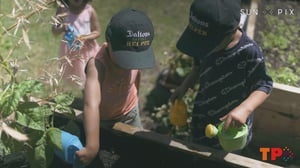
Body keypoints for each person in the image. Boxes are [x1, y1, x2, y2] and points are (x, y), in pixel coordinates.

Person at [170, 0, 273, 151]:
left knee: (228, 157)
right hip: (203, 115)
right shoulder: (204, 44)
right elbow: (197, 67)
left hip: (233, 125)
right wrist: (184, 87)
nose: (203, 47)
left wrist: (244, 109)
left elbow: (264, 85)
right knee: (199, 150)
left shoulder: (249, 52)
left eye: (207, 43)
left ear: (232, 30)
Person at [75, 8, 156, 165]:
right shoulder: (98, 65)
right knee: (105, 150)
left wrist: (135, 100)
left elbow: (136, 76)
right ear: (109, 42)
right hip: (102, 118)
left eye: (136, 59)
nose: (129, 65)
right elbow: (90, 105)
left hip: (130, 112)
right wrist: (92, 147)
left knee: (136, 148)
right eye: (126, 58)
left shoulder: (134, 58)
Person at [52, 0, 101, 89]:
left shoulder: (89, 10)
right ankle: (86, 95)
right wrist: (62, 27)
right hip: (71, 51)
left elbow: (97, 31)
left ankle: (91, 96)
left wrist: (85, 37)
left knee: (90, 74)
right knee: (79, 76)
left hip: (87, 51)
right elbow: (54, 31)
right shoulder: (63, 10)